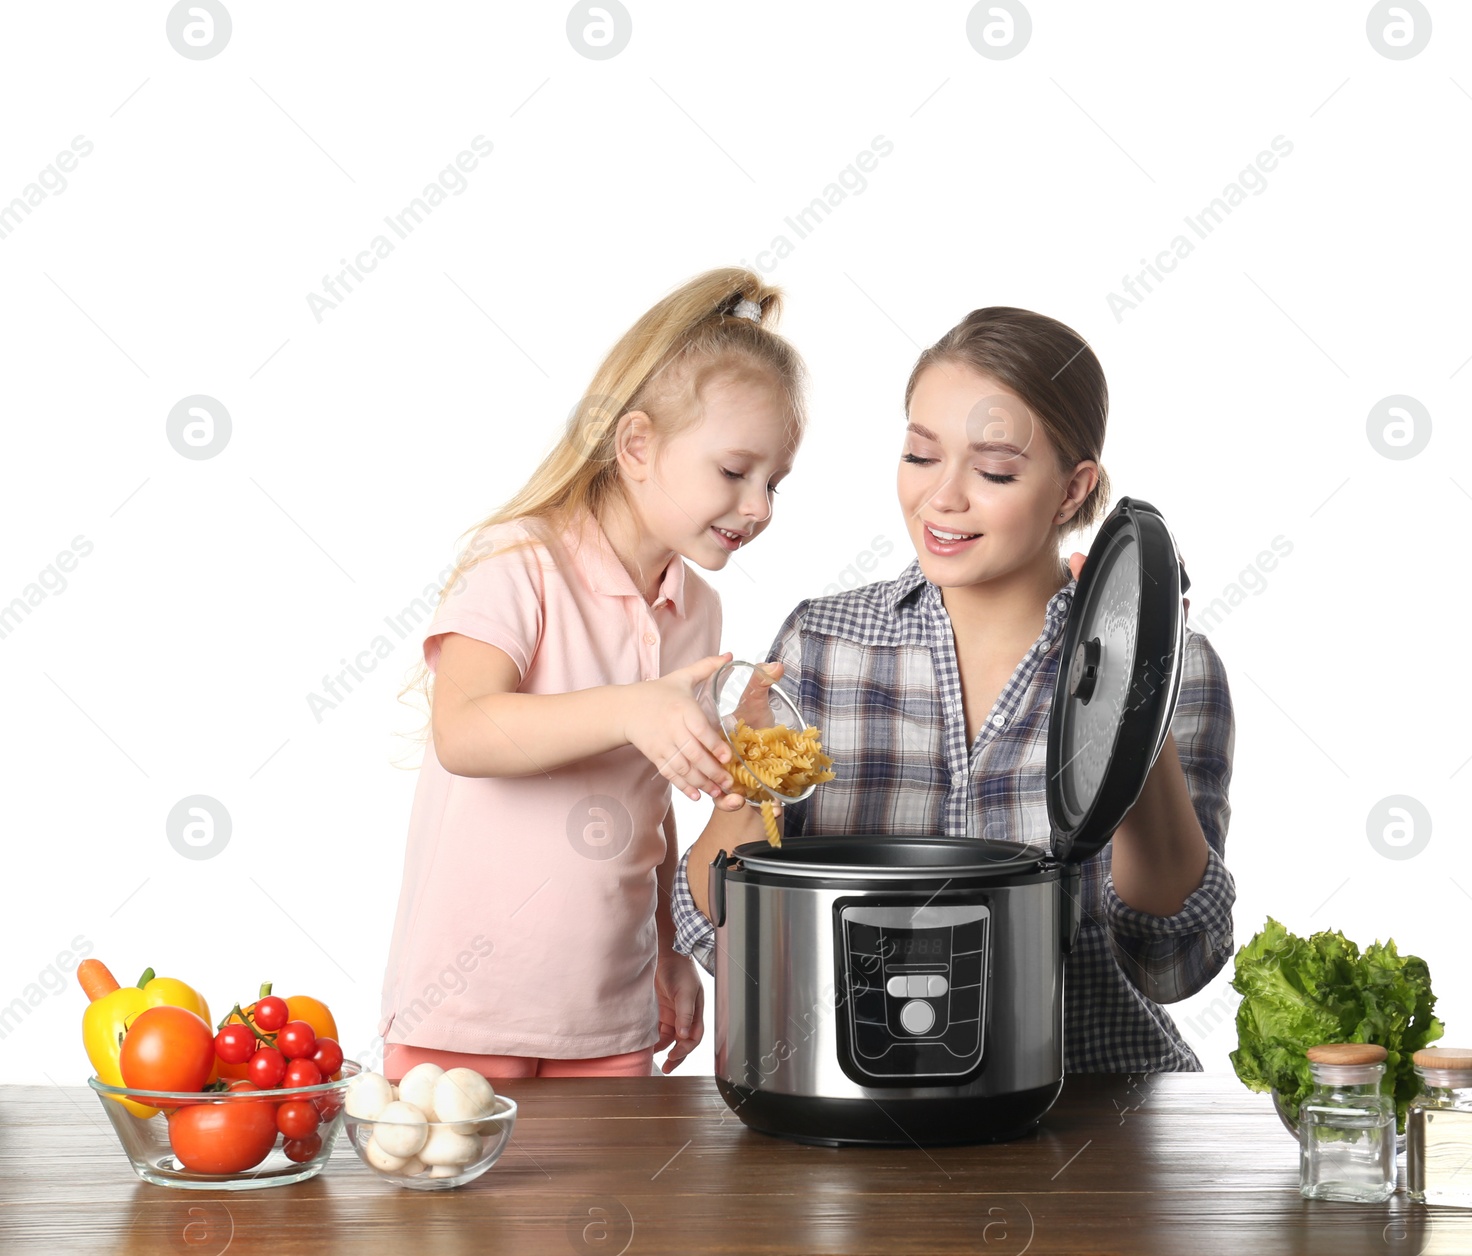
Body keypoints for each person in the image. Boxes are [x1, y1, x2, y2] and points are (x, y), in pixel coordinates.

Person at [674, 306, 1236, 1072]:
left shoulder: (1181, 665)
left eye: (995, 470)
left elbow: (1171, 961)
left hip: (1098, 1121)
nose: (942, 499)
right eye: (919, 455)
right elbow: (725, 939)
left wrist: (1134, 695)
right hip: (855, 1103)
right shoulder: (824, 645)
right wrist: (745, 786)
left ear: (1073, 491)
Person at [377, 267, 806, 1078]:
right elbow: (464, 730)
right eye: (734, 471)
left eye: (774, 483)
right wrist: (631, 709)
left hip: (609, 1015)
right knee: (447, 1207)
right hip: (466, 1011)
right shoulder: (520, 560)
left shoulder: (698, 611)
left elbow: (646, 799)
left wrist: (672, 948)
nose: (759, 507)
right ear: (637, 444)